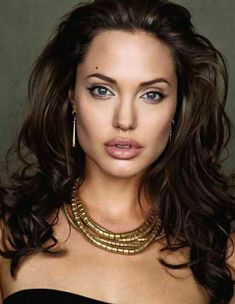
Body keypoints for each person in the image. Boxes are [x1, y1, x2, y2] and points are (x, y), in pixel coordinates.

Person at [0, 0, 235, 303]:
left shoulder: (221, 256)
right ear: (72, 97)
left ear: (178, 107)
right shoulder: (8, 233)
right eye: (102, 90)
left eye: (152, 95)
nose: (125, 120)